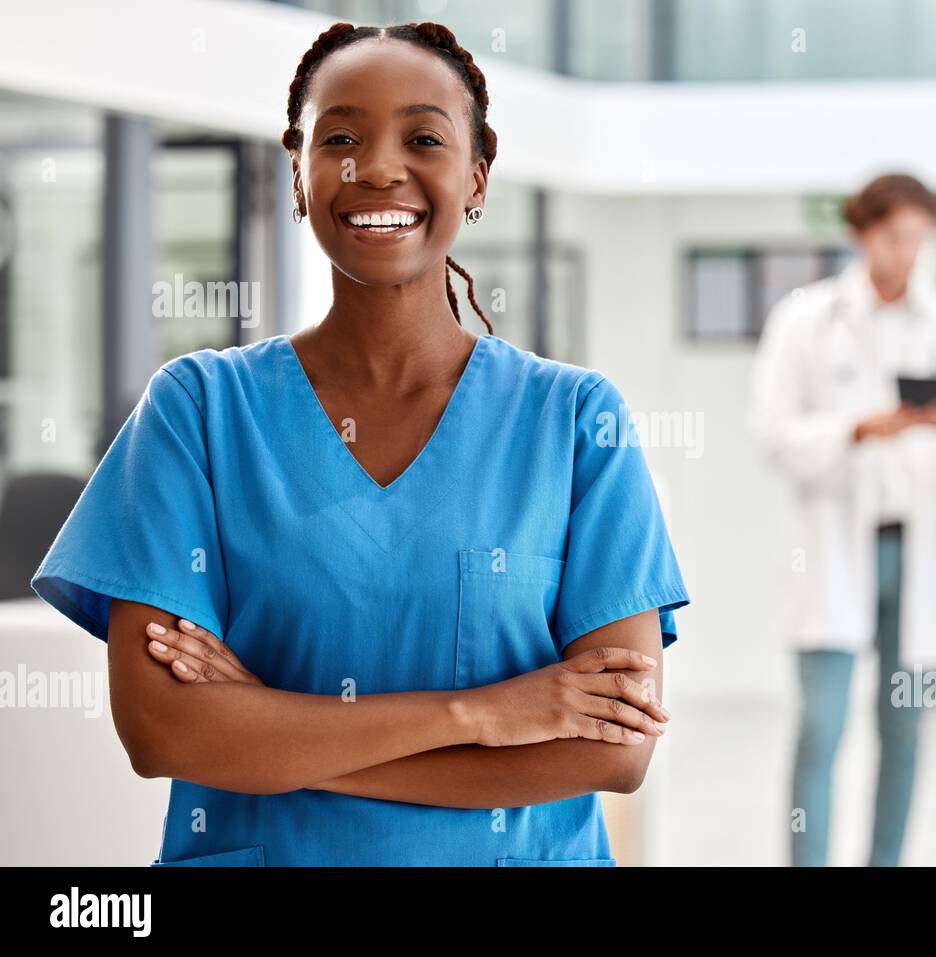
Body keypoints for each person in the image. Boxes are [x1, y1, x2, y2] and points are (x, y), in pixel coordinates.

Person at [30, 21, 689, 867]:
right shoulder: (197, 411)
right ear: (298, 174)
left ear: (477, 172)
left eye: (423, 137)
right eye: (340, 137)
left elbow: (614, 750)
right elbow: (163, 730)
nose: (377, 167)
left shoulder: (574, 423)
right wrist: (487, 712)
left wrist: (273, 730)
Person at [750, 173, 936, 866]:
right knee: (821, 728)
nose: (909, 253)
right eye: (896, 238)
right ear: (862, 234)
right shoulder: (805, 320)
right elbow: (774, 437)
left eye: (921, 240)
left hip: (923, 550)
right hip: (834, 549)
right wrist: (858, 430)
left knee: (904, 733)